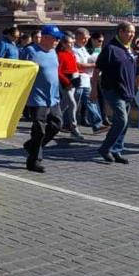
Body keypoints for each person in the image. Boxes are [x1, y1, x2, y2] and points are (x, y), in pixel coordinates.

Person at [20, 24, 64, 172]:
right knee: (39, 130)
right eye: (55, 38)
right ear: (44, 37)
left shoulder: (53, 52)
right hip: (36, 98)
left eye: (59, 38)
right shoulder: (30, 51)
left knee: (56, 125)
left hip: (53, 98)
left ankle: (31, 145)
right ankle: (33, 161)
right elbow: (19, 72)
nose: (58, 41)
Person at [91, 22, 137, 164]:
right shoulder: (110, 49)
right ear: (121, 32)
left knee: (125, 122)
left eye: (133, 32)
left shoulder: (128, 49)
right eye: (129, 32)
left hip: (127, 90)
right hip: (112, 89)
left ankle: (117, 150)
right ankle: (105, 148)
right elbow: (97, 71)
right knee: (121, 120)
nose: (131, 35)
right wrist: (94, 91)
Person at [72, 27, 105, 134]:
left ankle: (97, 125)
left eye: (87, 39)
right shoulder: (73, 50)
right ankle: (65, 122)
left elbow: (87, 61)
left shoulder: (84, 49)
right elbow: (78, 65)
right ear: (77, 37)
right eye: (83, 39)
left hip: (86, 80)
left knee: (91, 102)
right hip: (77, 80)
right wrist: (94, 64)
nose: (85, 41)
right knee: (72, 104)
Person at [56, 32, 85, 140]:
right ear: (63, 44)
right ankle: (74, 128)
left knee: (64, 104)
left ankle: (51, 119)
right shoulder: (59, 54)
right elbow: (58, 71)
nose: (72, 45)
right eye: (69, 43)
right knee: (72, 103)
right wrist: (66, 82)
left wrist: (79, 75)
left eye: (73, 43)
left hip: (74, 79)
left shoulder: (71, 53)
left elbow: (74, 67)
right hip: (66, 81)